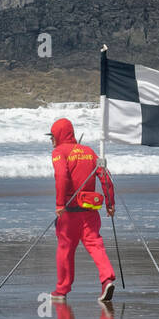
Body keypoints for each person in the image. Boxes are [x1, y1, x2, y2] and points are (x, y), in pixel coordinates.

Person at [48, 116, 117, 303]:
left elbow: (61, 176)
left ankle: (61, 290)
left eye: (52, 136)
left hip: (70, 213)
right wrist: (110, 204)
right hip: (89, 211)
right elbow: (105, 176)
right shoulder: (89, 152)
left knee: (65, 249)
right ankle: (107, 279)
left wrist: (60, 204)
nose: (51, 141)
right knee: (96, 245)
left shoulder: (59, 152)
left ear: (58, 135)